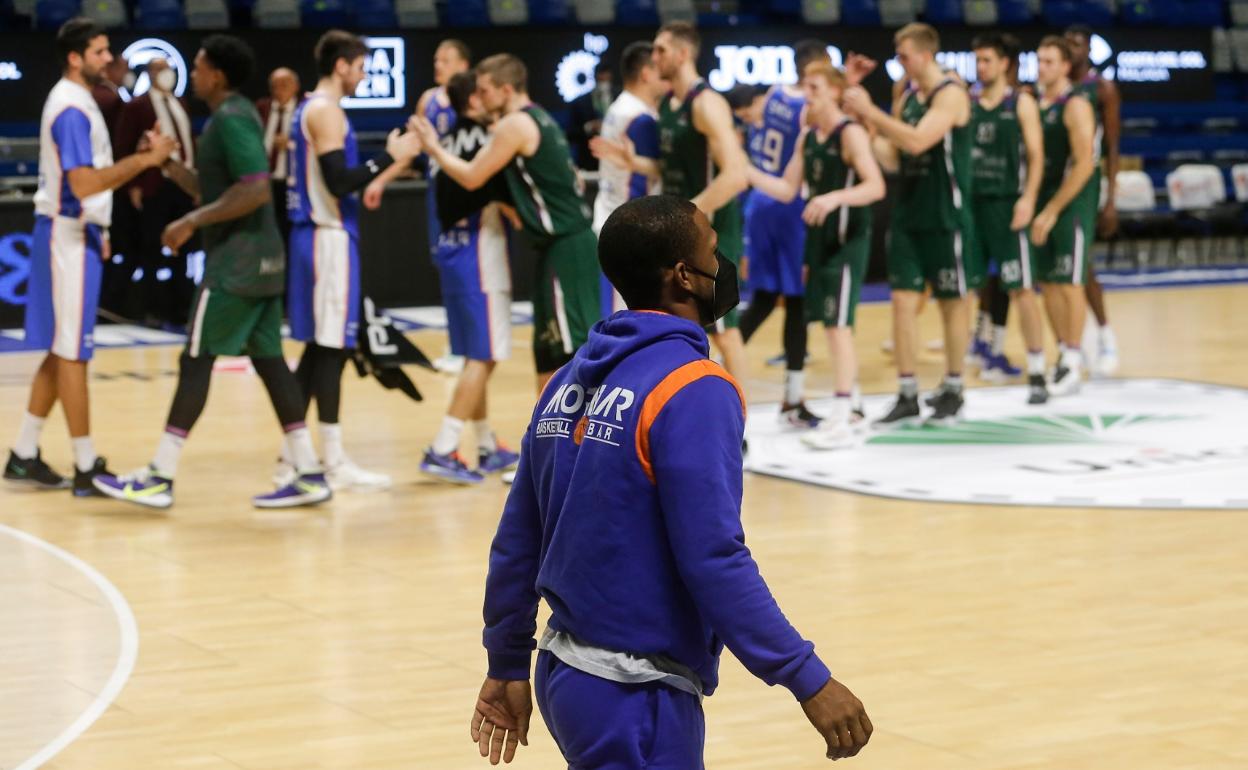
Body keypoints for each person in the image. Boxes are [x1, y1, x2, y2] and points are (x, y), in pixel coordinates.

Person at [473, 195, 873, 768]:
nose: (725, 263)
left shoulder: (566, 378)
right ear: (684, 276)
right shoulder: (695, 388)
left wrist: (506, 660)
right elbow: (713, 556)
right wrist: (807, 678)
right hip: (632, 690)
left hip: (564, 673)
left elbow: (518, 537)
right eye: (714, 251)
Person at [92, 34, 331, 509]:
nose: (191, 74)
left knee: (196, 359)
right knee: (269, 362)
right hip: (264, 261)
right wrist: (170, 165)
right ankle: (307, 470)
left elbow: (256, 190)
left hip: (236, 266)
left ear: (216, 75)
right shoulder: (231, 115)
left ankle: (160, 474)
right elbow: (219, 188)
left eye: (198, 67)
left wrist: (188, 221)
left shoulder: (230, 118)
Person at [4, 18, 176, 495]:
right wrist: (146, 161)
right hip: (67, 235)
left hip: (73, 231)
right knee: (74, 354)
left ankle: (23, 453)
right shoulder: (73, 108)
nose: (110, 59)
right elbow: (81, 184)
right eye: (100, 51)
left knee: (63, 351)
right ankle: (85, 466)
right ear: (75, 57)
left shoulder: (79, 102)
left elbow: (88, 180)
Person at [278, 30, 422, 492]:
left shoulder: (316, 108)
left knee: (321, 351)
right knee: (331, 350)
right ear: (341, 65)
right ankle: (333, 463)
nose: (364, 76)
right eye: (361, 67)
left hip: (323, 238)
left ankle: (293, 457)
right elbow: (339, 181)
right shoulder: (324, 110)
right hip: (326, 239)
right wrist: (389, 157)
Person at [413, 53, 602, 394]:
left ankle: (585, 442)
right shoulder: (539, 117)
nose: (479, 98)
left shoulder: (515, 125)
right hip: (557, 247)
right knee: (546, 356)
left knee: (571, 355)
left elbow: (472, 177)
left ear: (505, 90)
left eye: (484, 91)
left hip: (567, 248)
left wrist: (433, 148)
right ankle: (551, 441)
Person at [592, 22, 750, 386]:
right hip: (681, 235)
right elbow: (667, 168)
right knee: (682, 324)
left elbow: (736, 175)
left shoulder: (706, 103)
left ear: (682, 54)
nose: (655, 56)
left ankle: (742, 424)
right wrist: (632, 162)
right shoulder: (668, 104)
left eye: (661, 49)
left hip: (711, 234)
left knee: (725, 330)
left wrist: (687, 216)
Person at [843, 23, 980, 425]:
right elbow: (893, 155)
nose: (898, 62)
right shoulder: (906, 94)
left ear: (924, 54)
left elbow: (919, 140)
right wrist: (864, 127)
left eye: (903, 55)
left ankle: (954, 386)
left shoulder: (951, 94)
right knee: (902, 303)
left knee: (953, 303)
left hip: (945, 214)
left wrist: (872, 114)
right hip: (908, 212)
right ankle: (907, 393)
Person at [746, 62, 884, 450]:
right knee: (832, 326)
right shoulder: (809, 136)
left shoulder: (850, 133)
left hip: (848, 239)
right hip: (819, 240)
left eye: (815, 88)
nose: (807, 95)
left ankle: (842, 416)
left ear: (836, 93)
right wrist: (744, 170)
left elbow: (875, 186)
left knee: (838, 327)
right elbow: (787, 189)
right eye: (806, 87)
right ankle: (851, 406)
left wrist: (834, 196)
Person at [419, 71, 520, 485]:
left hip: (451, 250)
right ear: (475, 100)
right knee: (484, 355)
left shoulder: (446, 141)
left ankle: (484, 444)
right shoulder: (488, 140)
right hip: (480, 255)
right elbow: (507, 197)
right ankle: (443, 447)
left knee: (475, 353)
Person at [738, 39, 830, 430]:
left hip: (760, 203)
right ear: (815, 67)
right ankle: (793, 399)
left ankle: (715, 354)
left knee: (762, 298)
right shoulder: (810, 108)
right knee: (797, 303)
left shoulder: (773, 94)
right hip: (789, 207)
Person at [968, 32, 1048, 404]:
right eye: (977, 59)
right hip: (971, 206)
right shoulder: (965, 101)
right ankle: (969, 362)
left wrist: (1028, 199)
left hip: (1006, 205)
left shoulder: (1021, 102)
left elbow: (1036, 155)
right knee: (966, 290)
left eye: (987, 59)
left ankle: (1037, 371)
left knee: (1022, 290)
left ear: (1004, 63)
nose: (980, 66)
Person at [1031, 36, 1098, 398]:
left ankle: (1073, 358)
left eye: (1049, 62)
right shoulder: (1036, 103)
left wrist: (1054, 209)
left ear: (1066, 67)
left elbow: (1085, 163)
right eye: (1039, 60)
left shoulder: (1076, 104)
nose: (1041, 68)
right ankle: (1063, 352)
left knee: (1070, 280)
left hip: (1072, 200)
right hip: (1043, 197)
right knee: (1049, 281)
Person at [114, 56, 197, 327]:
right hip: (154, 184)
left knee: (183, 248)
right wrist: (134, 184)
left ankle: (181, 308)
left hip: (182, 184)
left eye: (168, 69)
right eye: (160, 69)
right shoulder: (137, 106)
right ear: (150, 73)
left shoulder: (179, 102)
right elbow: (126, 147)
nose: (166, 74)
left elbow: (188, 144)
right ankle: (151, 309)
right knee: (151, 249)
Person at [591, 40, 663, 316]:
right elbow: (656, 171)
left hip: (612, 216)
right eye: (659, 71)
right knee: (627, 318)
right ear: (646, 73)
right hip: (629, 229)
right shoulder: (639, 117)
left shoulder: (620, 107)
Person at [1065, 24, 1121, 376]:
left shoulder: (1101, 88)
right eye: (1066, 43)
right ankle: (1074, 340)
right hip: (1058, 182)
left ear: (1088, 48)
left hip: (1086, 183)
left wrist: (1111, 198)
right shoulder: (1054, 88)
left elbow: (1113, 146)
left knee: (1082, 264)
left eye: (1077, 44)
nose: (1071, 49)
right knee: (1063, 270)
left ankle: (1105, 335)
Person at [258, 67, 301, 248]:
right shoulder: (261, 109)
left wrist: (292, 144)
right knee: (267, 230)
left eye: (285, 84)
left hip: (293, 184)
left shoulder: (304, 110)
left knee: (290, 231)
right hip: (265, 183)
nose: (279, 89)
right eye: (275, 85)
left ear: (296, 87)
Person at [567, 62, 614, 171]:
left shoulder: (621, 98)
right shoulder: (579, 103)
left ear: (610, 76)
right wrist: (588, 127)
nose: (603, 80)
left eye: (605, 78)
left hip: (616, 160)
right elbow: (570, 134)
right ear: (594, 77)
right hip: (589, 162)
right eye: (600, 78)